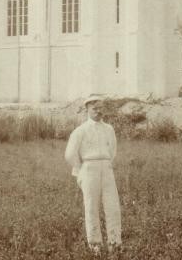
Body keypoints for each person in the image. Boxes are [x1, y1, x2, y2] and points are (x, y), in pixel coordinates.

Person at [65, 94, 122, 255]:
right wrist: (81, 169)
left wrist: (106, 163)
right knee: (91, 207)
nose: (98, 112)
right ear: (87, 110)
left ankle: (114, 242)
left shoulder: (109, 129)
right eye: (94, 108)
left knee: (113, 206)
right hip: (88, 168)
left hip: (106, 167)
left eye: (100, 108)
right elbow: (69, 154)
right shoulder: (80, 131)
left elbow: (113, 150)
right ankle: (95, 245)